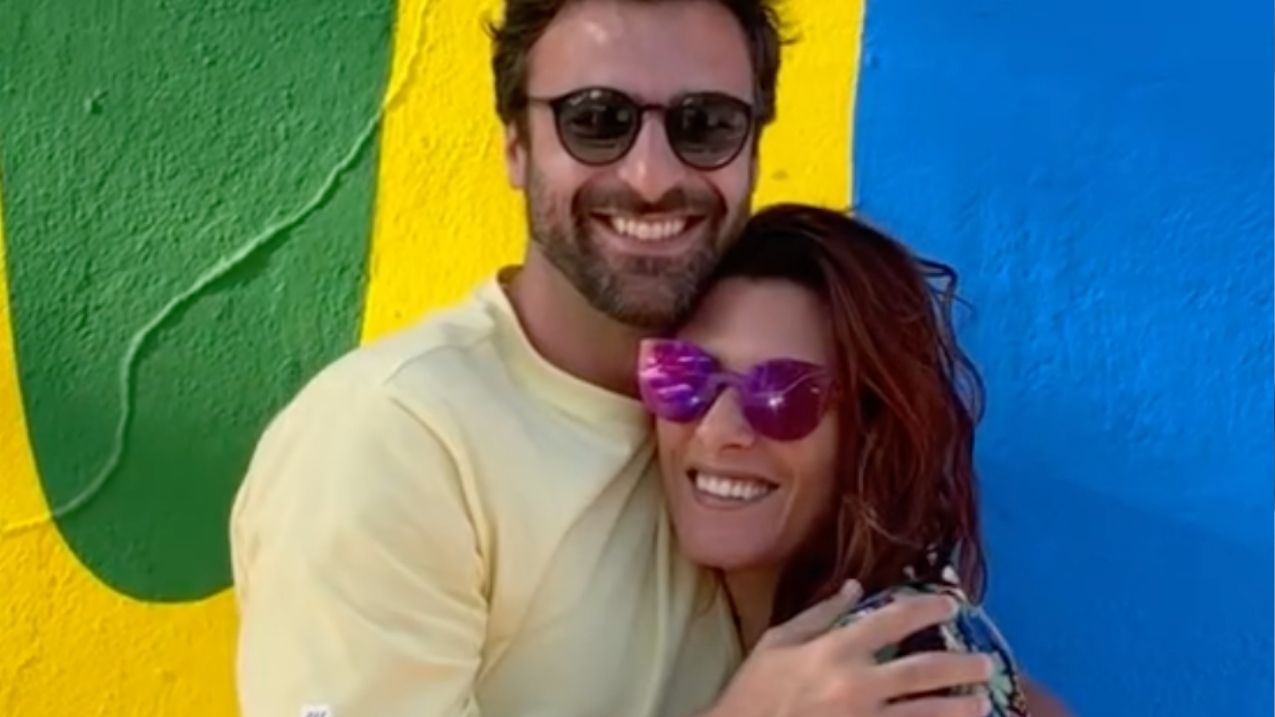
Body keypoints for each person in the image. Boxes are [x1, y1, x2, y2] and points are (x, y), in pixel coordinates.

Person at [229, 1, 1001, 715]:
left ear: (750, 153)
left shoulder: (741, 420)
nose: (651, 176)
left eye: (704, 125)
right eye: (595, 121)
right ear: (515, 146)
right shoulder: (395, 439)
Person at [641, 203, 1073, 717]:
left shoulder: (899, 672)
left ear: (868, 433)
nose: (717, 429)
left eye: (784, 394)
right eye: (682, 375)